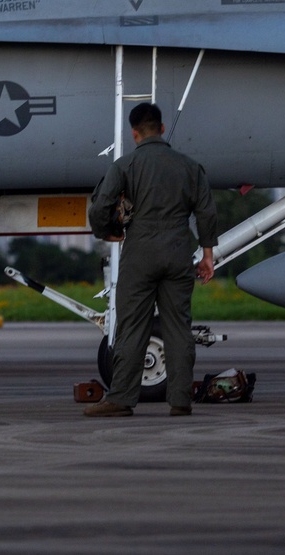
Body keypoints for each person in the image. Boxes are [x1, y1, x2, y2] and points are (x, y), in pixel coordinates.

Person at [85, 101, 218, 418]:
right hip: (177, 250)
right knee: (178, 328)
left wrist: (106, 232)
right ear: (161, 128)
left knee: (133, 327)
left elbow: (101, 205)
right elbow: (207, 212)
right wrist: (208, 254)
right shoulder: (189, 166)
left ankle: (121, 399)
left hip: (140, 253)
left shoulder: (124, 166)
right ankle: (180, 400)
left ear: (134, 134)